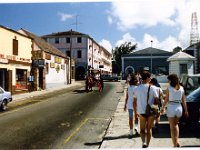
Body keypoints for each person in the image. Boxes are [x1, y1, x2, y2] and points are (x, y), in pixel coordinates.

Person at [160, 74, 189, 147]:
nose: (168, 81)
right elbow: (184, 101)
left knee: (172, 127)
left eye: (168, 80)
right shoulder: (181, 88)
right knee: (176, 125)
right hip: (179, 107)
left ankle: (174, 145)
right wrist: (186, 110)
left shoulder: (169, 88)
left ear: (171, 80)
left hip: (171, 107)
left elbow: (166, 100)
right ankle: (176, 141)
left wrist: (162, 108)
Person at [134, 71, 159, 148]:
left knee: (142, 130)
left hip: (141, 111)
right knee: (149, 129)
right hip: (151, 111)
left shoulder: (137, 88)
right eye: (150, 77)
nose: (151, 78)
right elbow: (157, 99)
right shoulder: (152, 88)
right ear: (147, 78)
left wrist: (135, 111)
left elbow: (134, 101)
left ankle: (144, 142)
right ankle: (147, 145)